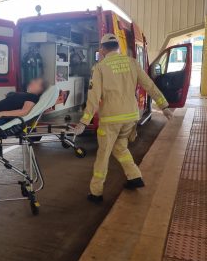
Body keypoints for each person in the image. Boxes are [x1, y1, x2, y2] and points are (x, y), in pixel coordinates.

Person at [74, 34, 174, 204]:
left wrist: (84, 121)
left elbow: (94, 96)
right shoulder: (132, 63)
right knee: (120, 147)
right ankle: (134, 176)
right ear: (117, 47)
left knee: (103, 155)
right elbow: (149, 85)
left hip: (111, 119)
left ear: (104, 49)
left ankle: (96, 192)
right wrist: (164, 106)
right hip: (131, 117)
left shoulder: (100, 67)